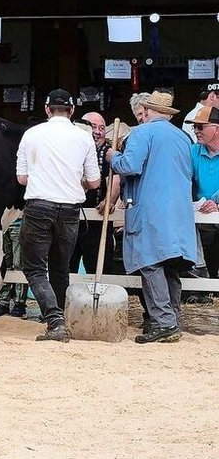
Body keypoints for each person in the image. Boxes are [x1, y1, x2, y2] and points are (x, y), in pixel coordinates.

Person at [107, 91, 199, 343]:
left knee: (151, 264)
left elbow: (130, 166)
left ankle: (163, 322)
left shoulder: (142, 133)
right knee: (171, 265)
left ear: (146, 111)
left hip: (151, 210)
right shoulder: (182, 137)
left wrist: (113, 157)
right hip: (178, 211)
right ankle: (173, 319)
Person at [16, 89, 100, 343]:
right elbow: (95, 182)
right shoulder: (83, 137)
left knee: (33, 267)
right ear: (72, 110)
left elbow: (21, 178)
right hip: (70, 209)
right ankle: (59, 319)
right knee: (60, 268)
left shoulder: (31, 135)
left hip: (39, 206)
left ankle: (54, 320)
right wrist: (77, 182)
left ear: (47, 109)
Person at [70, 111, 116, 276]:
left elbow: (116, 179)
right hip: (71, 217)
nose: (97, 131)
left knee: (99, 268)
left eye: (102, 128)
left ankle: (100, 302)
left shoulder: (109, 153)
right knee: (67, 267)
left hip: (98, 219)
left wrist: (109, 200)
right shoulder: (69, 151)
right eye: (93, 127)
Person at [188, 106, 219, 279]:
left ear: (216, 129)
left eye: (201, 127)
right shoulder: (193, 150)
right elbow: (185, 178)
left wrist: (216, 202)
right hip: (203, 213)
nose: (196, 131)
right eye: (195, 127)